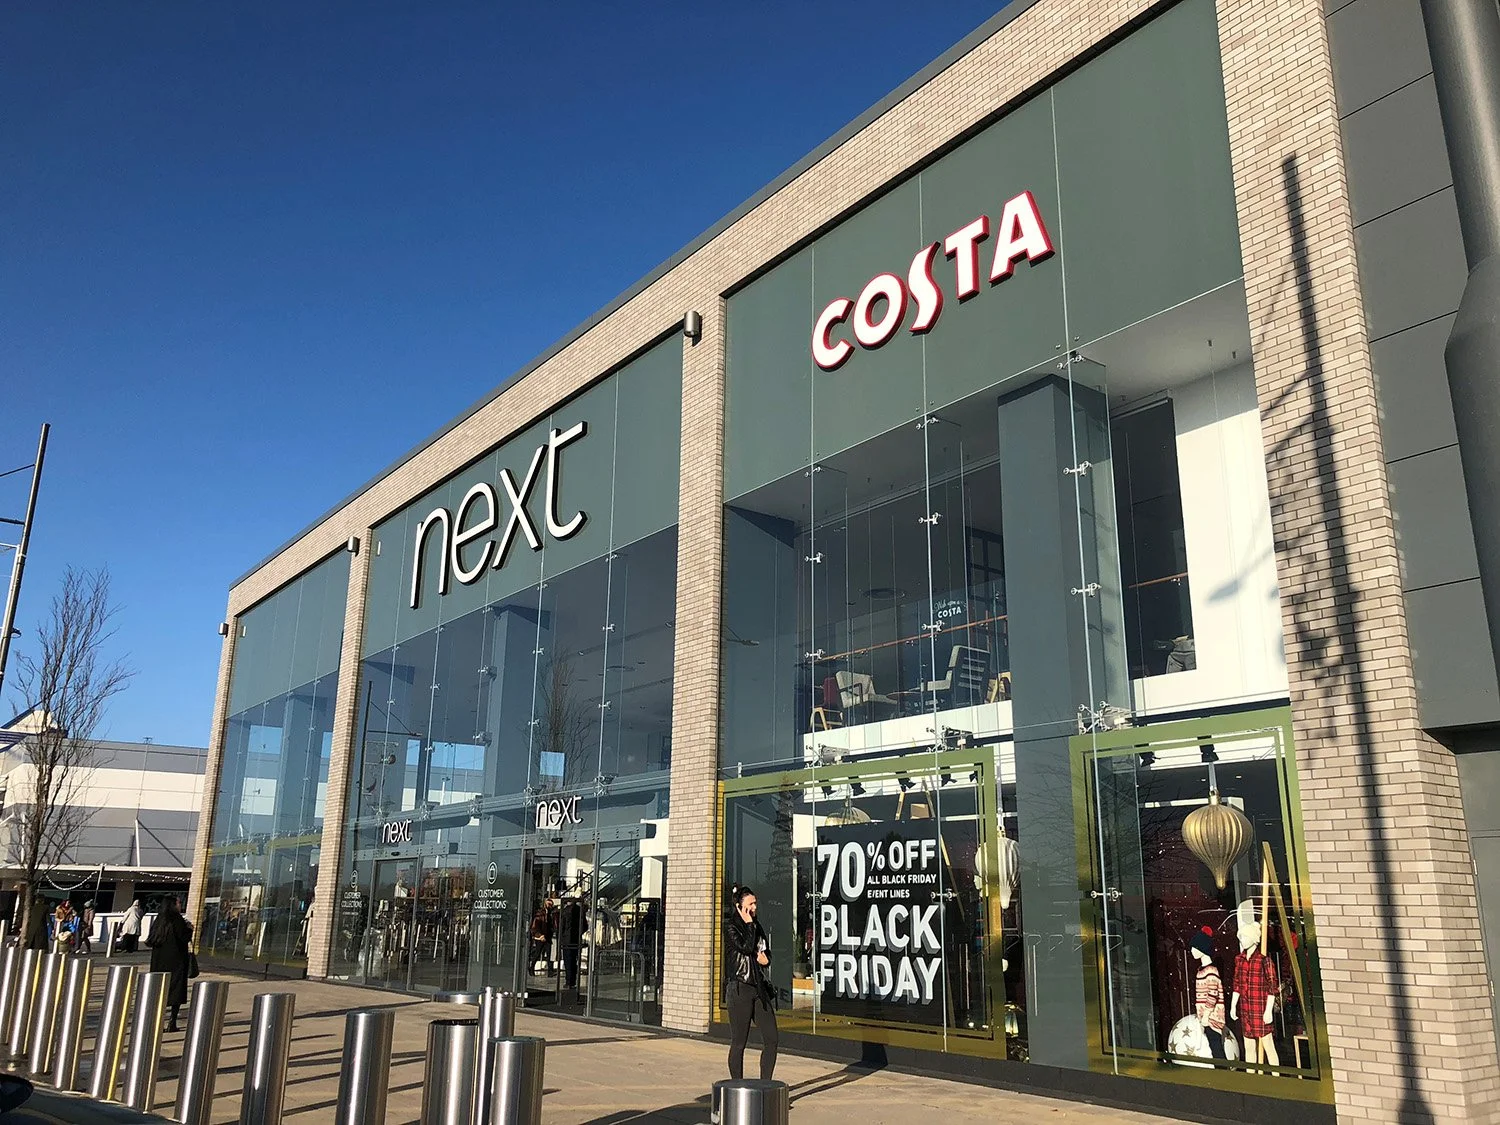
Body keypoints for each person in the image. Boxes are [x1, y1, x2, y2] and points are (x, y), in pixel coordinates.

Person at [722, 886, 778, 1087]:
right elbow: (746, 947)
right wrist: (749, 925)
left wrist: (766, 960)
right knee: (739, 1042)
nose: (754, 908)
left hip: (758, 989)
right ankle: (737, 1087)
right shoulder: (731, 928)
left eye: (755, 904)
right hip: (740, 989)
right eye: (750, 904)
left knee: (772, 1039)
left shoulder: (757, 926)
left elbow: (765, 952)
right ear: (739, 907)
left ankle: (766, 1087)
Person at [147, 897, 193, 1032]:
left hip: (159, 960)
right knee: (175, 991)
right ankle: (172, 1021)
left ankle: (157, 1021)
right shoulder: (177, 920)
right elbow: (183, 938)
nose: (180, 904)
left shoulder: (159, 920)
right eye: (178, 902)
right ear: (173, 905)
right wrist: (190, 929)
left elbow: (152, 938)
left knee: (160, 991)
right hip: (176, 960)